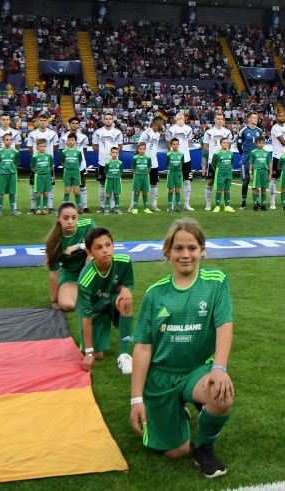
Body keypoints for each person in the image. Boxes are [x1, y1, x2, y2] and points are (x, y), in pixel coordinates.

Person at [129, 219, 234, 479]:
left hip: (197, 371)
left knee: (222, 395)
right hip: (161, 377)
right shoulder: (155, 294)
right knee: (175, 452)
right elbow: (143, 348)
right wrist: (136, 399)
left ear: (202, 250)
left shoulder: (216, 281)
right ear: (168, 252)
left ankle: (204, 447)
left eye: (192, 247)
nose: (185, 254)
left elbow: (224, 325)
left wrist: (219, 368)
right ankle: (176, 411)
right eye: (178, 248)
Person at [77, 226, 133, 376]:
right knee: (98, 356)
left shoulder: (124, 261)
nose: (105, 250)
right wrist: (89, 353)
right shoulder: (85, 279)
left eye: (108, 245)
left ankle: (124, 354)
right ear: (90, 252)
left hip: (112, 302)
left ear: (113, 245)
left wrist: (124, 289)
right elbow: (86, 315)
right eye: (99, 247)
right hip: (95, 312)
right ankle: (98, 335)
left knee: (126, 301)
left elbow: (124, 283)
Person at [43, 201, 95, 311]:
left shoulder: (88, 224)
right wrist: (54, 300)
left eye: (74, 217)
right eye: (65, 218)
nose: (70, 222)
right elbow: (54, 272)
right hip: (69, 274)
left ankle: (93, 288)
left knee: (93, 255)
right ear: (58, 218)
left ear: (78, 217)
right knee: (68, 305)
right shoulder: (54, 242)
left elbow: (100, 243)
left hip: (89, 270)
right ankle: (89, 295)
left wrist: (78, 246)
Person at [0, 113, 23, 216]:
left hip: (10, 164)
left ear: (9, 121)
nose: (6, 121)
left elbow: (17, 147)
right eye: (3, 119)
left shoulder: (15, 133)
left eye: (7, 119)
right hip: (0, 164)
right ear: (0, 120)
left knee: (12, 189)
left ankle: (14, 208)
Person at [27, 114, 61, 214]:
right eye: (41, 120)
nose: (42, 122)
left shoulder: (53, 133)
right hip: (37, 165)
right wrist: (37, 158)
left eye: (44, 120)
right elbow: (30, 148)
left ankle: (49, 207)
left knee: (50, 186)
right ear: (38, 121)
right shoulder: (32, 134)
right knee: (34, 187)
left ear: (47, 122)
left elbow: (54, 147)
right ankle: (34, 207)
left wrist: (47, 158)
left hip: (48, 164)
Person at [93, 113, 124, 213]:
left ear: (113, 120)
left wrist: (114, 155)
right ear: (103, 120)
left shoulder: (118, 132)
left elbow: (120, 146)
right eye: (106, 119)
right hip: (102, 162)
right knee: (103, 184)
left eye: (110, 119)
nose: (108, 120)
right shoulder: (98, 132)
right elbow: (94, 146)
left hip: (114, 163)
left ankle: (113, 206)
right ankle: (102, 206)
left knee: (114, 184)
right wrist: (102, 154)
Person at [202, 113, 233, 211]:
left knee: (225, 184)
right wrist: (215, 155)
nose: (220, 121)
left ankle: (226, 205)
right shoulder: (209, 132)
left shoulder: (227, 132)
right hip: (213, 161)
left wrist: (224, 154)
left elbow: (230, 145)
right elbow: (205, 146)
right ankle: (208, 203)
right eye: (218, 119)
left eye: (221, 119)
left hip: (225, 162)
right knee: (210, 181)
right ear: (214, 120)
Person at [166, 112, 196, 211]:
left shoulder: (189, 129)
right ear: (175, 119)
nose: (180, 119)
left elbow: (188, 142)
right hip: (175, 160)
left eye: (182, 118)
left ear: (184, 119)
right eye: (178, 118)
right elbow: (168, 143)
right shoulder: (171, 129)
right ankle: (172, 205)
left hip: (186, 159)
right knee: (173, 183)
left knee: (187, 181)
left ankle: (186, 204)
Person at [236, 112, 264, 210]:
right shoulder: (243, 131)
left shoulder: (259, 131)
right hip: (246, 160)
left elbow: (261, 144)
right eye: (254, 117)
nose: (256, 119)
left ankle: (256, 202)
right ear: (249, 119)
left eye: (256, 117)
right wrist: (243, 154)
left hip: (257, 161)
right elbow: (238, 144)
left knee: (256, 182)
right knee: (246, 181)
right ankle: (243, 202)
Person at [139, 116, 166, 212]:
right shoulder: (146, 133)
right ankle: (133, 205)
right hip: (144, 164)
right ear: (157, 123)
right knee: (140, 185)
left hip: (154, 164)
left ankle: (154, 205)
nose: (162, 124)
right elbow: (139, 146)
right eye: (161, 123)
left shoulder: (158, 134)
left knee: (154, 184)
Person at [269, 109, 285, 209]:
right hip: (278, 157)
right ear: (276, 118)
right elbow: (284, 142)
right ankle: (272, 203)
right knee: (274, 179)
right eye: (280, 116)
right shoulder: (275, 128)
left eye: (283, 116)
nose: (282, 117)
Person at [66, 116, 92, 212]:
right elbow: (62, 152)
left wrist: (79, 162)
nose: (75, 125)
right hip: (69, 167)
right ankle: (67, 207)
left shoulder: (83, 137)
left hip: (81, 166)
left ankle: (84, 207)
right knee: (68, 187)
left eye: (77, 123)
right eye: (73, 123)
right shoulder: (64, 137)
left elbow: (84, 151)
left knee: (83, 185)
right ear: (69, 124)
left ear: (79, 125)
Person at [0, 132, 21, 215]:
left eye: (10, 140)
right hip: (2, 175)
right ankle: (0, 210)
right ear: (3, 141)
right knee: (0, 193)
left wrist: (11, 170)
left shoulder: (15, 152)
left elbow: (16, 164)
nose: (9, 141)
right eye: (7, 140)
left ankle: (12, 210)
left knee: (12, 192)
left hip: (12, 174)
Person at [60, 133, 85, 211]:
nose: (70, 141)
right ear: (67, 141)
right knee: (67, 191)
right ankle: (64, 208)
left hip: (76, 173)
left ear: (75, 141)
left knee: (77, 192)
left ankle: (80, 208)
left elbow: (80, 161)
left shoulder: (78, 151)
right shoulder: (64, 151)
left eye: (72, 140)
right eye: (69, 140)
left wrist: (75, 168)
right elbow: (63, 162)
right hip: (67, 173)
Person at [212, 137, 236, 212]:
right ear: (220, 144)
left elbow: (232, 162)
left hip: (228, 173)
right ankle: (217, 206)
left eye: (227, 143)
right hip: (220, 173)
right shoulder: (217, 153)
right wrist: (217, 171)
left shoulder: (231, 153)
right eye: (224, 143)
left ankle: (227, 206)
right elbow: (213, 164)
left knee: (227, 190)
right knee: (219, 190)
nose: (226, 144)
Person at [31, 138, 55, 215]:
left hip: (47, 176)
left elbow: (51, 165)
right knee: (38, 193)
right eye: (40, 146)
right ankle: (38, 208)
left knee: (45, 192)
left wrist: (47, 171)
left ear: (46, 147)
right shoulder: (35, 156)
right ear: (37, 147)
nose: (42, 148)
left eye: (44, 146)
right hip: (38, 176)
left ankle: (44, 208)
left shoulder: (49, 156)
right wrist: (38, 172)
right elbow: (32, 167)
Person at [248, 139, 273, 211]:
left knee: (264, 188)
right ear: (256, 144)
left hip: (265, 172)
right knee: (255, 188)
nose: (261, 144)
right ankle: (255, 205)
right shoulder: (253, 152)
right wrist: (250, 173)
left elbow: (270, 163)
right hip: (256, 171)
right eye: (259, 143)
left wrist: (270, 173)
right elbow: (251, 163)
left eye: (262, 143)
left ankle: (263, 205)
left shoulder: (267, 152)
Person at [130, 142, 152, 214]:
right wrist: (136, 174)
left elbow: (149, 167)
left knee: (145, 192)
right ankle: (135, 208)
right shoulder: (135, 158)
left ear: (145, 149)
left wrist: (146, 173)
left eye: (143, 149)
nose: (142, 150)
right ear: (137, 149)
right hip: (137, 177)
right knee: (137, 192)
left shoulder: (148, 158)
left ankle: (146, 208)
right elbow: (133, 168)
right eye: (140, 149)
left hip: (145, 176)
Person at [104, 145, 124, 214]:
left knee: (116, 194)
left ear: (118, 154)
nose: (114, 154)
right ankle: (106, 209)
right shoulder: (107, 163)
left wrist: (117, 176)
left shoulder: (120, 163)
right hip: (109, 180)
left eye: (116, 153)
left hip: (117, 180)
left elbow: (121, 171)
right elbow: (105, 171)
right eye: (113, 152)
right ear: (110, 153)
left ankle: (117, 209)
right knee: (108, 195)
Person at [166, 138, 185, 212]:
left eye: (177, 144)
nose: (175, 146)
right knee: (171, 190)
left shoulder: (181, 154)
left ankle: (178, 207)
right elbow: (167, 164)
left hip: (178, 174)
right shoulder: (168, 154)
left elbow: (182, 163)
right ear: (171, 145)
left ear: (178, 145)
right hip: (171, 173)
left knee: (177, 190)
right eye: (174, 144)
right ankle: (169, 207)